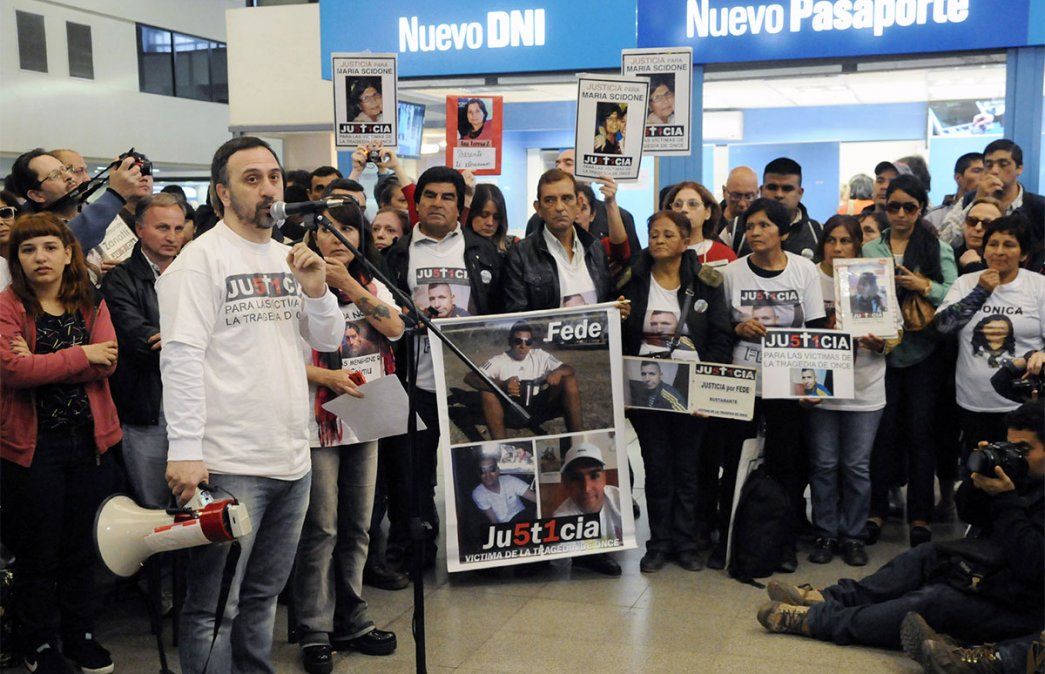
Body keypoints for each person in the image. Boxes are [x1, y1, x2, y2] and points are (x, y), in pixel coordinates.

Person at [158, 136, 346, 674]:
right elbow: (182, 360)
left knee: (264, 596)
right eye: (251, 178)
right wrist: (187, 450)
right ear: (222, 193)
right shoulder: (199, 262)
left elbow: (327, 337)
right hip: (229, 462)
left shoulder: (289, 254)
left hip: (292, 457)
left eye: (273, 176)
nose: (268, 188)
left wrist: (316, 290)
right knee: (215, 606)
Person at [757, 401, 1045, 653]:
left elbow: (1033, 564)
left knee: (936, 601)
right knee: (928, 554)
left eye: (1024, 449)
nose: (1015, 456)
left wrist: (1006, 500)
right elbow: (972, 514)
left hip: (1025, 607)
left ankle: (817, 621)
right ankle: (832, 597)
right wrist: (977, 482)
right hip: (999, 573)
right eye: (1011, 446)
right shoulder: (1023, 475)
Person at [0, 212, 121, 674]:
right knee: (37, 552)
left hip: (89, 445)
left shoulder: (90, 302)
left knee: (80, 548)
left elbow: (107, 361)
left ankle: (81, 635)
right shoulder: (8, 306)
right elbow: (14, 372)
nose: (40, 257)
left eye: (50, 247)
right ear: (18, 260)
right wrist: (80, 355)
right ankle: (38, 643)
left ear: (68, 253)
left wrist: (45, 362)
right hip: (32, 450)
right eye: (28, 250)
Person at [293, 200, 404, 673]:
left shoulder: (371, 283)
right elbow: (278, 358)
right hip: (315, 418)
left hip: (366, 412)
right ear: (311, 237)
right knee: (321, 528)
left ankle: (352, 616)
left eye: (348, 230)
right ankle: (313, 627)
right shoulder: (292, 284)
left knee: (359, 525)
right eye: (327, 230)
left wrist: (350, 285)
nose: (337, 238)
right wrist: (325, 379)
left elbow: (395, 327)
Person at [380, 165, 504, 572]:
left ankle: (487, 544)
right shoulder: (395, 254)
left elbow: (503, 314)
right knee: (411, 476)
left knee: (480, 465)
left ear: (460, 205)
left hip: (468, 381)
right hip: (413, 381)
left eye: (447, 197)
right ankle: (413, 551)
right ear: (416, 203)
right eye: (429, 195)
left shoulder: (483, 252)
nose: (437, 203)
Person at [716, 198, 827, 570]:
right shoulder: (732, 273)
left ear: (783, 231)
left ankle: (782, 543)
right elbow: (717, 328)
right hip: (742, 382)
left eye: (764, 225)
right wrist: (738, 327)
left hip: (789, 382)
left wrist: (813, 388)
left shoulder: (803, 270)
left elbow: (814, 331)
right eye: (749, 227)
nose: (755, 233)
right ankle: (732, 539)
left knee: (787, 463)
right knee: (735, 460)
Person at [620, 209, 733, 572]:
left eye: (668, 234)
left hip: (693, 390)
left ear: (686, 241)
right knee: (657, 467)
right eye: (654, 234)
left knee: (688, 469)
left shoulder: (707, 282)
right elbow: (620, 340)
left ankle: (686, 543)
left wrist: (706, 388)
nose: (659, 240)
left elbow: (720, 338)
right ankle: (658, 542)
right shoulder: (630, 281)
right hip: (644, 389)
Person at [863, 174, 958, 549]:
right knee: (882, 435)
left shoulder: (938, 248)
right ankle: (876, 511)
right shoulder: (871, 250)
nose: (901, 214)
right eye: (893, 207)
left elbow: (957, 295)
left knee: (921, 435)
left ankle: (920, 516)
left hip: (924, 354)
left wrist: (924, 286)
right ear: (884, 208)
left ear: (921, 208)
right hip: (881, 352)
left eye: (909, 207)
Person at [808, 215, 901, 565]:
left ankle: (853, 535)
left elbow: (896, 333)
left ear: (857, 244)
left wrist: (880, 344)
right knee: (823, 464)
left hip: (865, 387)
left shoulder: (872, 276)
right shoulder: (810, 276)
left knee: (857, 466)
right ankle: (825, 533)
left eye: (845, 240)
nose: (838, 247)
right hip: (820, 384)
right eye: (831, 240)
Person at [101, 193, 188, 508]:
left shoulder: (194, 272)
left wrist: (177, 340)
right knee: (153, 504)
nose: (172, 237)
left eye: (179, 228)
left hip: (198, 402)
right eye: (162, 227)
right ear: (139, 229)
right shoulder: (119, 277)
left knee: (197, 502)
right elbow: (139, 339)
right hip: (148, 406)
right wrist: (192, 343)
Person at [935, 215, 1045, 463]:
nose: (999, 251)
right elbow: (943, 326)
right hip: (974, 403)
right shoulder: (966, 283)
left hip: (1024, 407)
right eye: (993, 244)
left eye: (1009, 245)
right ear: (983, 251)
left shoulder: (1039, 287)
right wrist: (980, 291)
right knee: (979, 475)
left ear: (1024, 254)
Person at [505, 169, 616, 312]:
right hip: (544, 334)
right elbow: (517, 317)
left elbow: (607, 299)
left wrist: (617, 308)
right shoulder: (520, 255)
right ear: (538, 208)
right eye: (550, 200)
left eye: (567, 198)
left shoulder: (595, 248)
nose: (559, 207)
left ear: (578, 204)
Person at [465, 321, 582, 441]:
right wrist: (502, 385)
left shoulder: (540, 355)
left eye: (528, 342)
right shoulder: (498, 361)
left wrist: (558, 372)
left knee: (568, 380)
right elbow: (470, 377)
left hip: (539, 409)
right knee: (487, 392)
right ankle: (502, 447)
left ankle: (577, 439)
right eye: (518, 341)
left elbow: (569, 369)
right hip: (512, 411)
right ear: (510, 341)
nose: (523, 346)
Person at [939, 140, 1044, 271]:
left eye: (1003, 164)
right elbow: (943, 242)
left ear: (1019, 168)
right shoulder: (970, 199)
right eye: (988, 165)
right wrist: (978, 200)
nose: (994, 171)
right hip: (971, 274)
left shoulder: (1038, 207)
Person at [9, 148, 141, 251]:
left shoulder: (87, 212)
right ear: (37, 195)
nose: (68, 176)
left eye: (66, 169)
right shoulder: (32, 232)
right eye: (55, 175)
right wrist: (116, 194)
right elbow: (69, 237)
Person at [525, 148, 643, 260]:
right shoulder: (538, 220)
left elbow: (628, 258)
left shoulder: (619, 217)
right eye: (557, 164)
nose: (559, 168)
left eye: (568, 163)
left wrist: (611, 203)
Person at [733, 158, 822, 260]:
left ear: (800, 193)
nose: (779, 195)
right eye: (772, 188)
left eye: (787, 189)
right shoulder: (735, 228)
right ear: (761, 190)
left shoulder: (818, 231)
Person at [552, 443, 623, 544]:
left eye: (594, 476)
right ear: (566, 484)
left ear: (604, 478)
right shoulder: (561, 522)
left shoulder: (621, 499)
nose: (586, 488)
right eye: (576, 478)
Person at [664, 180, 737, 268]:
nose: (684, 209)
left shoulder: (724, 255)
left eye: (693, 204)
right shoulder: (660, 252)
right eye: (677, 204)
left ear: (707, 212)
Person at [924, 152, 983, 233]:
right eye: (977, 171)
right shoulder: (935, 217)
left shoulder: (993, 211)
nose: (984, 176)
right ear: (958, 177)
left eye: (986, 171)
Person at [471, 457, 536, 524]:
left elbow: (537, 499)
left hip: (524, 517)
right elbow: (494, 521)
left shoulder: (510, 480)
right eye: (482, 471)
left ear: (498, 470)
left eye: (492, 469)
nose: (488, 475)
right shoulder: (478, 493)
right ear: (479, 474)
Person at [953, 196, 1003, 275]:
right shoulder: (947, 258)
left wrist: (974, 266)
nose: (978, 228)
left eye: (987, 223)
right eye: (972, 221)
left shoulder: (1005, 262)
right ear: (963, 224)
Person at [467, 184, 517, 256]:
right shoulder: (459, 245)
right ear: (471, 213)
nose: (490, 223)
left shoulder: (514, 246)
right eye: (484, 215)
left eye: (496, 217)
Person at [717, 166, 759, 246]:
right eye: (736, 196)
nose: (742, 204)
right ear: (724, 192)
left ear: (757, 194)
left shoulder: (766, 226)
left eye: (749, 197)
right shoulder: (708, 222)